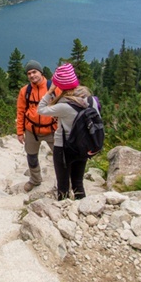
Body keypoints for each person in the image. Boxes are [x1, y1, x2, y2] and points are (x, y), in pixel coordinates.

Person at [37, 63, 99, 201]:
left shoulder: (63, 106)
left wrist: (49, 92)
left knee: (63, 185)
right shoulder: (91, 100)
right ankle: (81, 209)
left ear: (60, 85)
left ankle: (63, 213)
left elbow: (40, 109)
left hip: (64, 147)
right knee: (78, 183)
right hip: (84, 145)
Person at [16, 60, 57, 192]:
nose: (32, 75)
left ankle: (64, 182)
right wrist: (19, 132)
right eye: (29, 73)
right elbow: (21, 111)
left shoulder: (53, 88)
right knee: (31, 156)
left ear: (41, 72)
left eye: (34, 72)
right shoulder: (25, 91)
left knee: (60, 157)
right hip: (31, 130)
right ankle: (35, 179)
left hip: (52, 129)